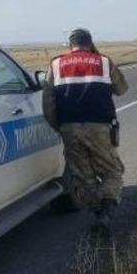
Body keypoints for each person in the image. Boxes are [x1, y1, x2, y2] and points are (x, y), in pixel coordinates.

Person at [42, 28, 128, 228]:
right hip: (100, 128)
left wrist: (61, 127)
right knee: (112, 170)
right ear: (90, 43)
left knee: (82, 175)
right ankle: (106, 211)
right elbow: (122, 89)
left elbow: (48, 105)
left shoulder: (55, 64)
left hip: (69, 129)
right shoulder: (103, 62)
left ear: (70, 45)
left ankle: (98, 212)